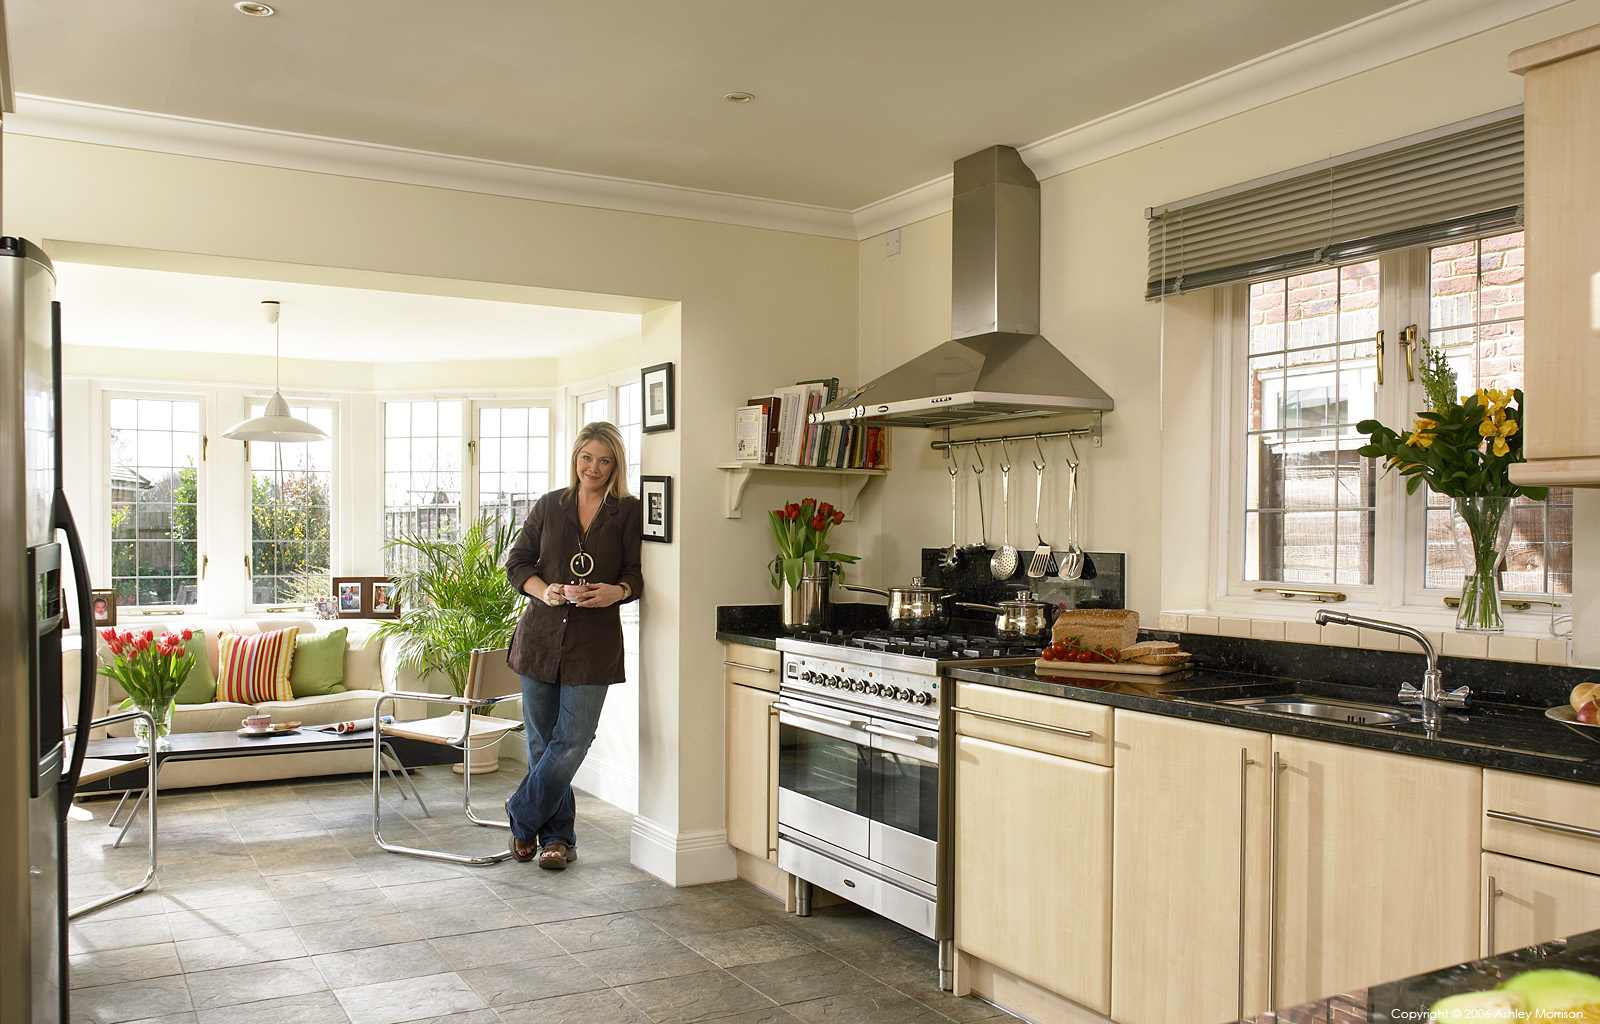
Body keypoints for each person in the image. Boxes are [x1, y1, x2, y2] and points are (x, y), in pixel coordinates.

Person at [504, 421, 642, 869]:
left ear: (615, 464)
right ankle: (557, 840)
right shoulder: (549, 506)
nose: (594, 468)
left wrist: (615, 591)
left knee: (574, 740)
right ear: (576, 457)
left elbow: (635, 575)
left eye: (604, 460)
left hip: (593, 645)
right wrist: (542, 590)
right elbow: (518, 563)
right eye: (587, 457)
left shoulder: (628, 511)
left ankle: (521, 815)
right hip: (540, 640)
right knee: (542, 744)